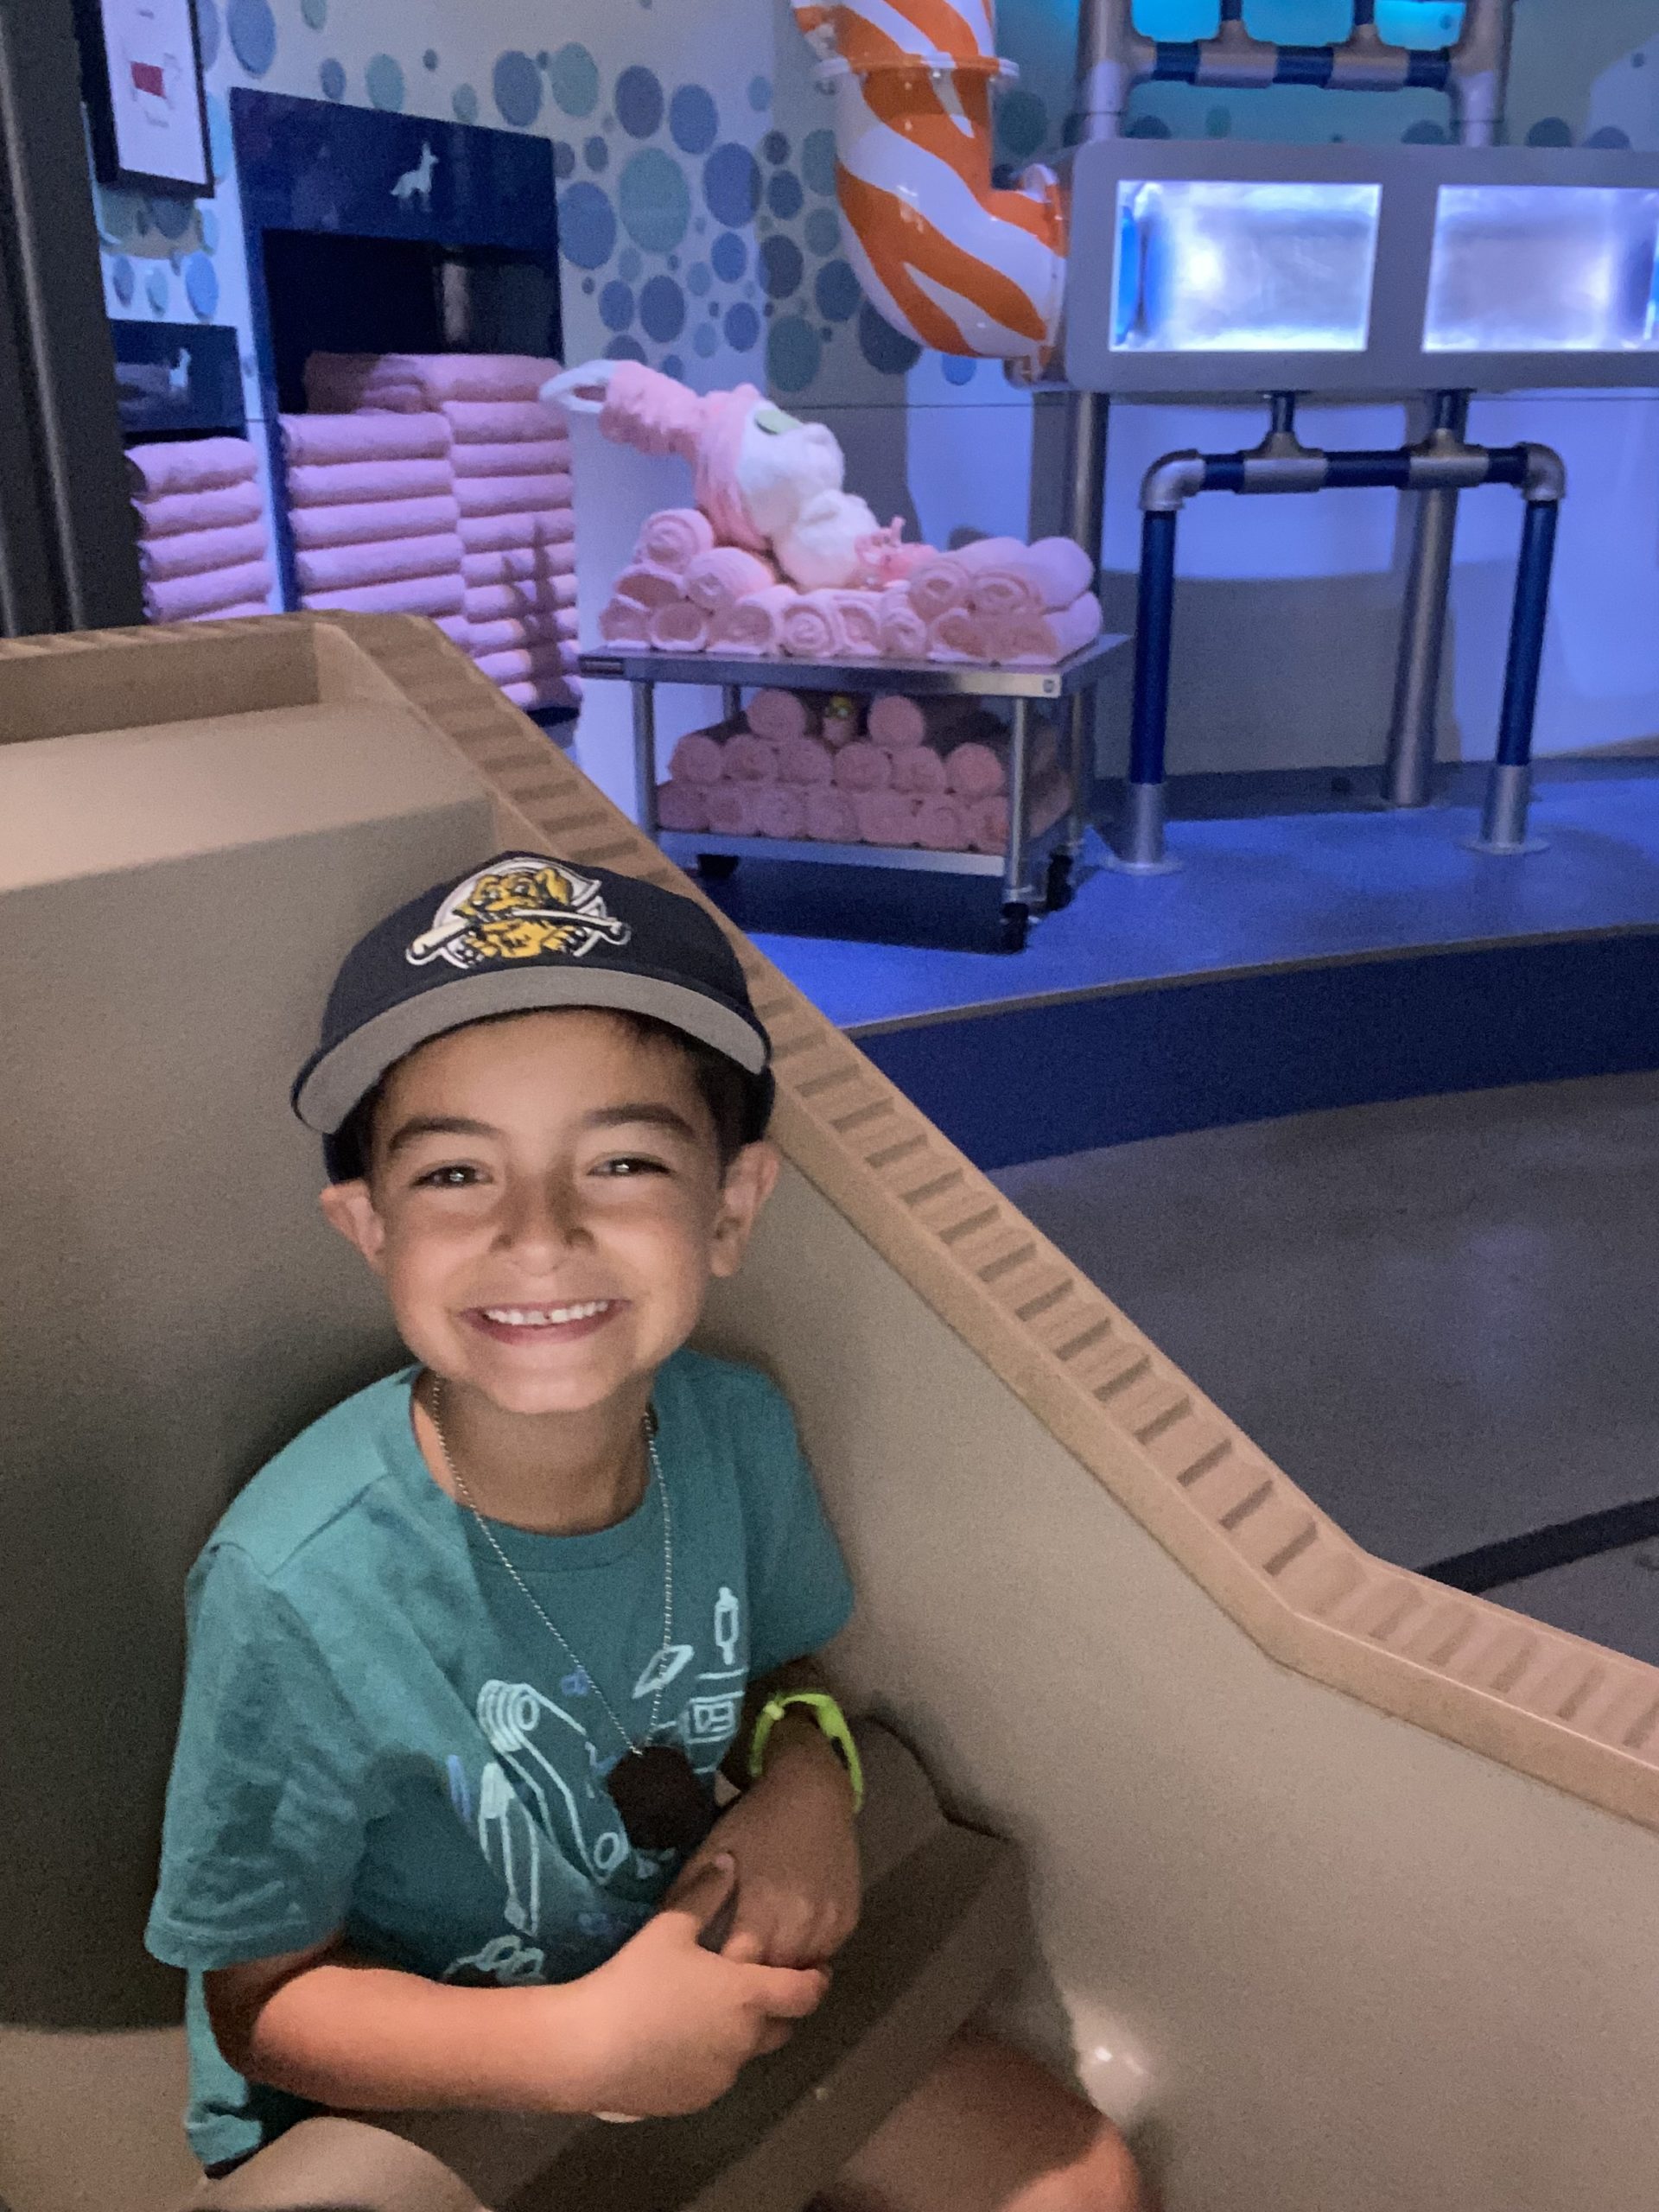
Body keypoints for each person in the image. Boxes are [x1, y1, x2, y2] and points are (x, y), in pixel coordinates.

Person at [146, 853, 1147, 2212]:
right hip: (414, 2102)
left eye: (621, 1161)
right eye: (456, 1173)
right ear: (369, 1227)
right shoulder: (292, 1586)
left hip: (683, 1983)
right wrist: (569, 2047)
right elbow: (261, 2002)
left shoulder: (735, 1433)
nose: (539, 1233)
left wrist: (809, 1776)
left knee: (1079, 2181)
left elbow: (780, 1678)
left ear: (730, 1207)